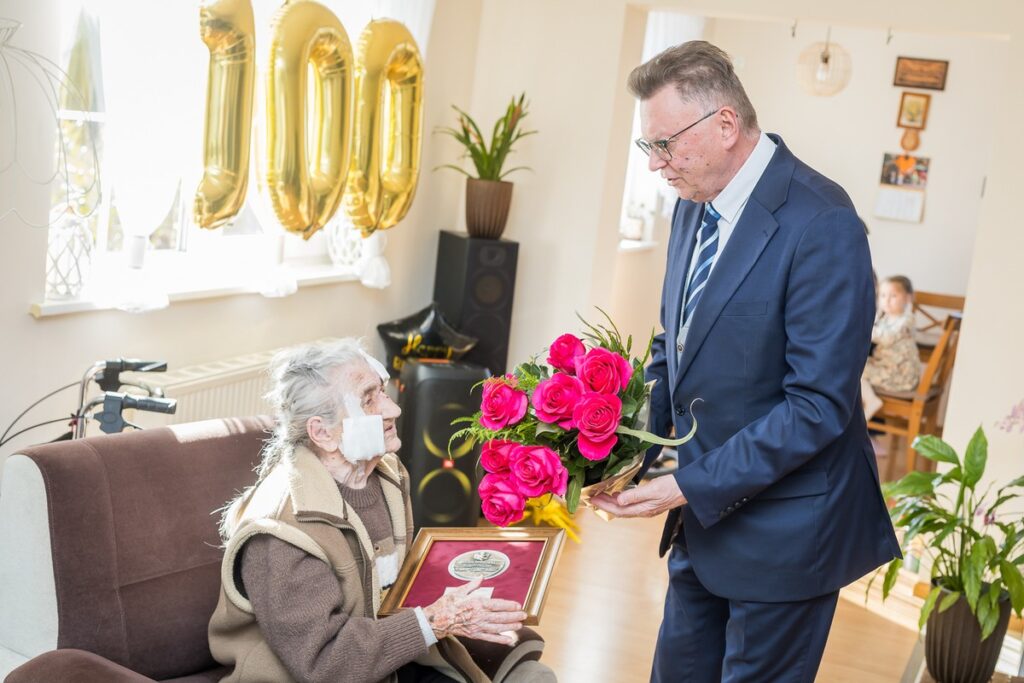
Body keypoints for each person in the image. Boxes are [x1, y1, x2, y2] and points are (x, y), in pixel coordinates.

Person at [591, 41, 900, 683]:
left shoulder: (823, 223)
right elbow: (671, 346)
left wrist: (684, 484)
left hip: (788, 534)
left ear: (725, 125)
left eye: (665, 144)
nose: (657, 165)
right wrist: (630, 453)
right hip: (701, 525)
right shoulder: (691, 204)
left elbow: (816, 406)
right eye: (649, 148)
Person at [208, 339, 555, 683]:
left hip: (387, 660)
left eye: (383, 392)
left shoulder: (386, 475)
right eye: (368, 400)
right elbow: (326, 665)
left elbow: (392, 590)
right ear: (323, 433)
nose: (394, 410)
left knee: (533, 676)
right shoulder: (280, 531)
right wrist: (436, 620)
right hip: (325, 674)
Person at [862, 275, 923, 418]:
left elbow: (887, 338)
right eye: (882, 295)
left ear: (908, 298)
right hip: (885, 367)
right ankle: (861, 407)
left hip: (899, 375)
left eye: (893, 296)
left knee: (855, 371)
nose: (887, 300)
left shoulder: (906, 320)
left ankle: (871, 402)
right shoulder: (883, 318)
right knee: (853, 367)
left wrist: (865, 330)